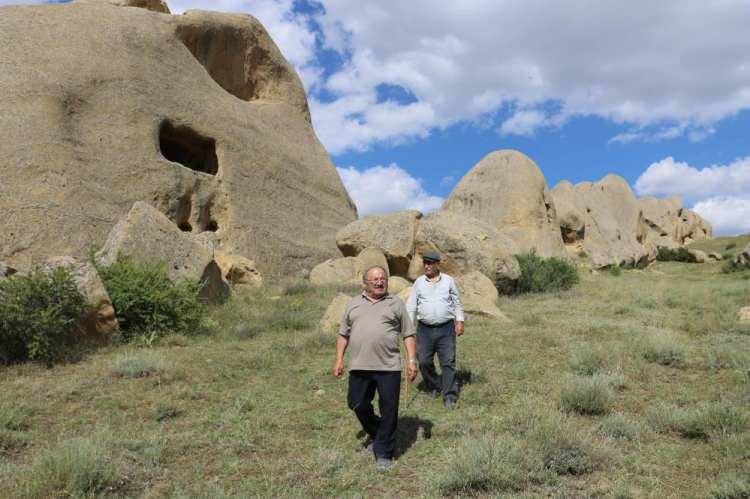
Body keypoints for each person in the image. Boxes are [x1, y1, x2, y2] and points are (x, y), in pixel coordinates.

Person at [333, 266, 418, 470]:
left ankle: (384, 453)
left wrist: (412, 360)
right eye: (375, 279)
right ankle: (381, 433)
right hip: (359, 365)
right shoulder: (353, 304)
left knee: (389, 409)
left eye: (383, 279)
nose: (380, 282)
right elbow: (343, 334)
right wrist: (338, 359)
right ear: (365, 283)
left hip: (389, 366)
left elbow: (408, 333)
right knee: (357, 403)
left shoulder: (395, 303)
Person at [406, 251, 464, 409]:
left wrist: (459, 320)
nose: (427, 266)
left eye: (430, 263)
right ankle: (435, 385)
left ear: (438, 264)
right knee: (424, 362)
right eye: (425, 262)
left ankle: (450, 396)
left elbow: (456, 302)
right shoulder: (419, 282)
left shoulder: (448, 281)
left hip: (446, 328)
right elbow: (411, 306)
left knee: (448, 362)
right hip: (424, 329)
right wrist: (408, 329)